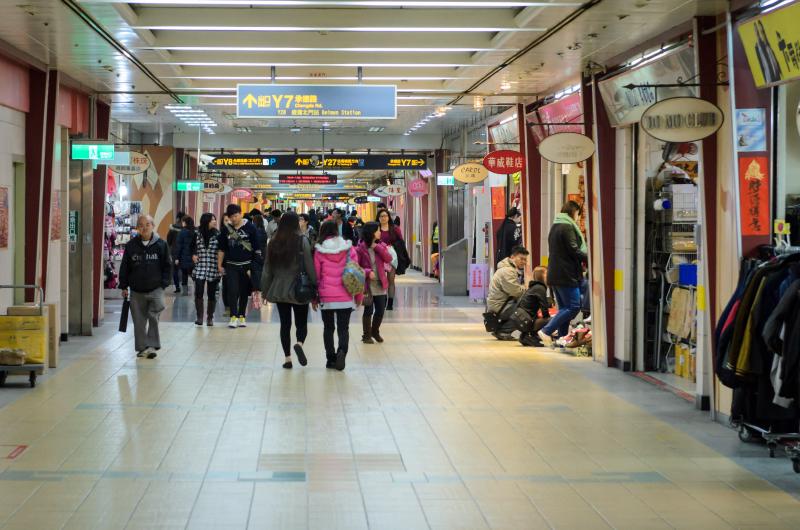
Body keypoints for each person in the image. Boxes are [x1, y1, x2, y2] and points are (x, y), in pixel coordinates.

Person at [261, 212, 316, 369]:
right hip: (300, 289)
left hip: (279, 289)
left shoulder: (273, 241)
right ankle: (299, 343)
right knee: (301, 322)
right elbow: (309, 265)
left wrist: (265, 290)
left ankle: (287, 359)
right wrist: (315, 285)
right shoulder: (302, 240)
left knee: (285, 324)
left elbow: (267, 269)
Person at [119, 215, 171, 359]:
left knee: (154, 314)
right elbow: (125, 267)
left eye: (147, 224)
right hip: (136, 290)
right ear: (137, 228)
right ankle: (142, 348)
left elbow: (168, 265)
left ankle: (152, 345)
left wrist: (164, 283)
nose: (144, 227)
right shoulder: (131, 246)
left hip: (156, 288)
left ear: (153, 225)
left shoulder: (161, 244)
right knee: (139, 321)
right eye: (141, 225)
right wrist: (123, 286)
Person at [313, 220, 362, 371]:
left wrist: (314, 298)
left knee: (328, 328)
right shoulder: (349, 249)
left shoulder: (319, 250)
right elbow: (356, 272)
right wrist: (358, 296)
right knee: (343, 328)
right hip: (345, 296)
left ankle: (330, 359)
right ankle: (342, 352)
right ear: (336, 230)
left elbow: (316, 276)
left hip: (326, 296)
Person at [538, 200, 588, 347]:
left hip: (556, 274)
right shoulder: (567, 227)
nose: (578, 217)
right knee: (573, 306)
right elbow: (574, 250)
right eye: (578, 213)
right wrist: (590, 258)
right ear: (573, 212)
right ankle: (546, 331)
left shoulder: (555, 226)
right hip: (566, 274)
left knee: (565, 308)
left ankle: (561, 338)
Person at [217, 204, 263, 328]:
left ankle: (242, 316)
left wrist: (254, 267)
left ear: (241, 214)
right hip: (231, 265)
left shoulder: (251, 228)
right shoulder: (226, 229)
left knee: (243, 292)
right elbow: (221, 249)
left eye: (235, 216)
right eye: (231, 217)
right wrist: (219, 265)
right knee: (232, 291)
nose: (233, 219)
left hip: (246, 266)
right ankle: (233, 316)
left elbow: (257, 248)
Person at [356, 221, 393, 344]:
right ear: (371, 233)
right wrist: (367, 272)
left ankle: (375, 331)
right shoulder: (360, 248)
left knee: (380, 310)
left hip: (380, 283)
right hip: (367, 285)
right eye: (377, 230)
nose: (379, 232)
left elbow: (389, 258)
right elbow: (355, 266)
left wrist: (376, 247)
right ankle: (366, 335)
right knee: (368, 310)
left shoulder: (380, 245)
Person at [486, 246, 529, 340]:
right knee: (526, 308)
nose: (524, 262)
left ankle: (502, 329)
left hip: (500, 304)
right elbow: (516, 291)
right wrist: (525, 288)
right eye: (521, 259)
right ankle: (504, 331)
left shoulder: (508, 269)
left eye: (525, 260)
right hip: (499, 306)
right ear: (512, 257)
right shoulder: (507, 271)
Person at [191, 212, 221, 327]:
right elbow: (191, 247)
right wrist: (193, 254)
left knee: (211, 293)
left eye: (215, 219)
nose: (214, 221)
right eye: (212, 219)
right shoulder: (196, 233)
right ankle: (199, 317)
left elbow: (221, 250)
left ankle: (209, 318)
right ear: (206, 221)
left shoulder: (217, 234)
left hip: (213, 267)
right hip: (200, 266)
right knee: (198, 292)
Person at [515, 266, 551, 346]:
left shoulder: (534, 287)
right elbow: (544, 308)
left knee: (543, 318)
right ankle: (530, 336)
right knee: (552, 319)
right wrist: (548, 319)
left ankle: (526, 336)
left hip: (521, 318)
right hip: (526, 320)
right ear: (541, 276)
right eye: (547, 274)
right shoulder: (540, 288)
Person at [376, 208, 402, 310]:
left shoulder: (394, 229)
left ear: (389, 217)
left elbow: (400, 242)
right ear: (378, 218)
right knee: (381, 279)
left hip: (392, 257)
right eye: (381, 216)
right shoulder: (376, 228)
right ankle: (383, 300)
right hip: (379, 257)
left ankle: (390, 303)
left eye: (385, 216)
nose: (383, 218)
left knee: (391, 280)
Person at [175, 216, 195, 295]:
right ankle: (197, 289)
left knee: (184, 274)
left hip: (184, 256)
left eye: (183, 222)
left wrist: (177, 258)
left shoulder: (182, 232)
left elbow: (179, 246)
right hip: (193, 257)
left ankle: (185, 292)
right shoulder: (194, 232)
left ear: (185, 223)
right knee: (193, 274)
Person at [167, 211, 185, 293]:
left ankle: (177, 287)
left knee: (175, 270)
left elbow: (169, 240)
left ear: (177, 218)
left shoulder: (173, 228)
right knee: (184, 270)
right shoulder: (186, 228)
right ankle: (185, 287)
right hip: (184, 251)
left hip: (174, 251)